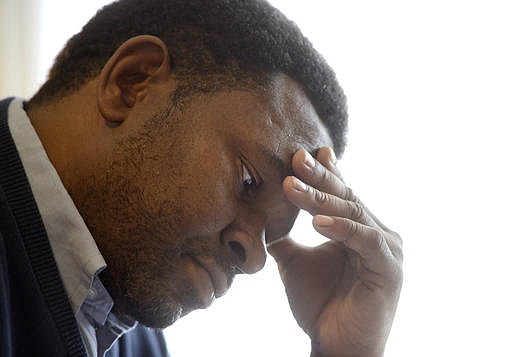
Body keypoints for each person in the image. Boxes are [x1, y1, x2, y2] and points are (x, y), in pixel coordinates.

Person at [0, 0, 403, 356]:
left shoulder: (124, 321)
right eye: (248, 180)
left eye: (271, 235)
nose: (255, 259)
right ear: (131, 83)